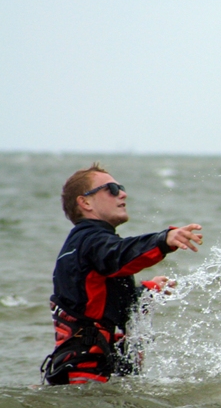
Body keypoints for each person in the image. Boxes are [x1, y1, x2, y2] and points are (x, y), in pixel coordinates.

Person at [42, 163, 204, 385]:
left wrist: (147, 291)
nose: (123, 193)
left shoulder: (85, 244)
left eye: (121, 187)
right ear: (85, 202)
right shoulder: (90, 241)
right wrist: (163, 240)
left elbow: (103, 307)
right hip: (82, 376)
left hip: (91, 371)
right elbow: (121, 254)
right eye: (112, 189)